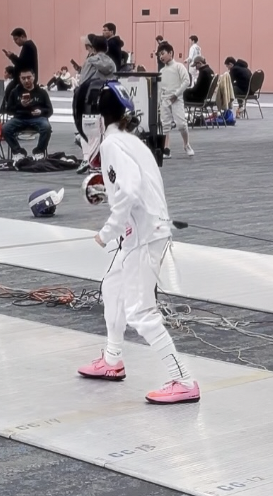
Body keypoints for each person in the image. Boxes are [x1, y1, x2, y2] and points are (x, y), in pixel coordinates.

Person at [77, 81, 200, 405]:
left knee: (140, 311)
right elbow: (135, 188)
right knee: (112, 288)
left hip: (144, 238)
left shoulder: (113, 145)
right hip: (142, 234)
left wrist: (107, 231)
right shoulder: (132, 142)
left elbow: (130, 191)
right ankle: (113, 359)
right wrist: (109, 195)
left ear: (98, 118)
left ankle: (183, 379)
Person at [73, 35, 117, 173]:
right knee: (104, 131)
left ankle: (89, 160)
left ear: (92, 47)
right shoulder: (111, 62)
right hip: (107, 99)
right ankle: (100, 160)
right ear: (107, 47)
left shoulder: (90, 61)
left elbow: (83, 81)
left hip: (89, 100)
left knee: (87, 132)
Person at [3, 69, 53, 162]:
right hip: (19, 118)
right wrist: (20, 105)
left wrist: (41, 111)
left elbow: (50, 110)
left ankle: (39, 151)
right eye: (23, 78)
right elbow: (8, 110)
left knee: (46, 127)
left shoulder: (42, 92)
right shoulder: (15, 92)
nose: (26, 80)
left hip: (38, 118)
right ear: (20, 79)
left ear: (34, 77)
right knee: (6, 128)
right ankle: (18, 152)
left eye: (29, 77)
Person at [157, 42, 193, 158]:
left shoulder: (179, 66)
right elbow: (159, 88)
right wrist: (159, 102)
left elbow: (186, 81)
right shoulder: (161, 71)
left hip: (176, 99)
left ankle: (186, 144)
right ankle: (166, 148)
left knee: (181, 124)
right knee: (165, 125)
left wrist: (176, 94)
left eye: (163, 53)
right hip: (165, 100)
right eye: (159, 55)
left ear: (171, 53)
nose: (161, 57)